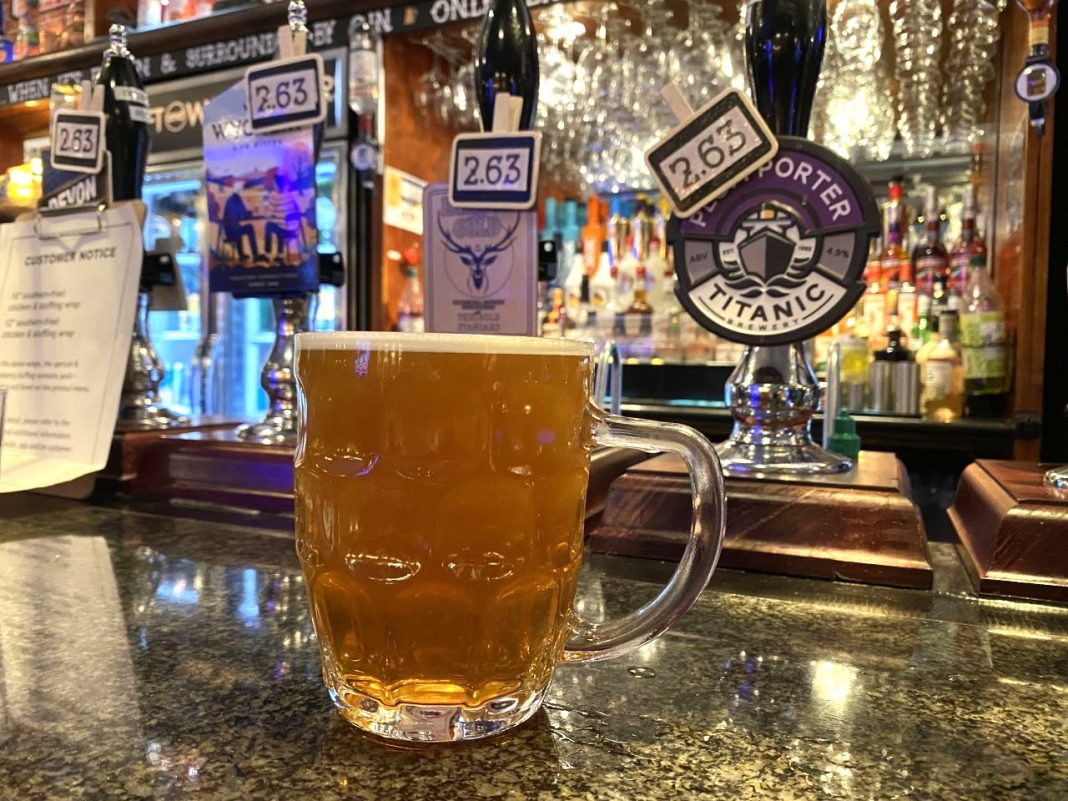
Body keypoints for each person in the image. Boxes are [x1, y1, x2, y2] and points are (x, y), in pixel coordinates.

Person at [263, 169, 302, 265]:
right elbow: (297, 209)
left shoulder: (275, 196)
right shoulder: (290, 195)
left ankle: (267, 254)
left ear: (276, 184)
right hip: (294, 229)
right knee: (279, 224)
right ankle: (280, 255)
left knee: (269, 225)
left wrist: (265, 202)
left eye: (273, 183)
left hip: (285, 229)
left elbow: (268, 214)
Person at [221, 178, 259, 263]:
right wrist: (252, 211)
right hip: (233, 232)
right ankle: (255, 255)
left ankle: (242, 255)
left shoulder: (231, 199)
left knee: (241, 228)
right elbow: (244, 214)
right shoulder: (236, 199)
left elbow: (240, 214)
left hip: (229, 231)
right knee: (250, 228)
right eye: (242, 189)